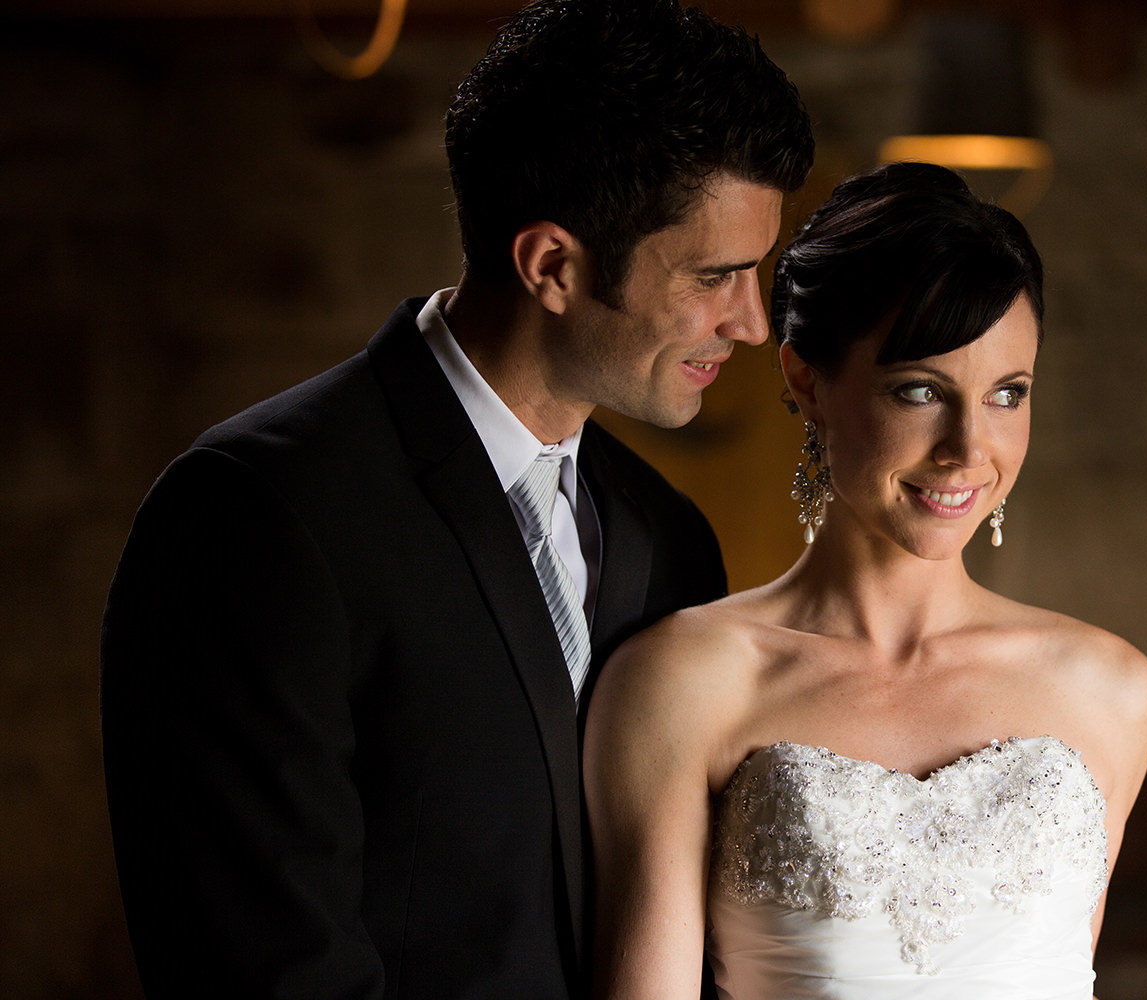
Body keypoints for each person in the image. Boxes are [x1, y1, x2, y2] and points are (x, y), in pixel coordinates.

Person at [99, 2, 813, 997]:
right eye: (716, 276)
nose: (747, 320)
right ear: (552, 266)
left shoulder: (669, 540)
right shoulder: (257, 512)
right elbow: (260, 966)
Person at [584, 161, 1147, 999]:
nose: (970, 449)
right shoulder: (684, 681)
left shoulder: (1112, 691)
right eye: (920, 390)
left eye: (1008, 394)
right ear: (806, 381)